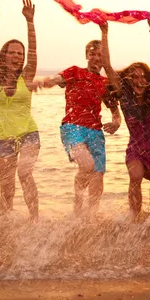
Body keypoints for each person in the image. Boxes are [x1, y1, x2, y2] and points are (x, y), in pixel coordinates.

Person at [37, 26, 121, 218]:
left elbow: (116, 113)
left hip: (96, 131)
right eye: (93, 54)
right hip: (72, 127)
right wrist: (44, 82)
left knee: (98, 173)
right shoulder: (75, 72)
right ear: (86, 55)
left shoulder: (105, 83)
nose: (96, 58)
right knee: (87, 165)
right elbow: (56, 79)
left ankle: (91, 217)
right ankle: (77, 201)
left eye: (100, 55)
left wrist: (116, 122)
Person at [101, 15, 150, 219]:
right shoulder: (124, 96)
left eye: (143, 77)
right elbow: (107, 65)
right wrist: (105, 33)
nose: (139, 80)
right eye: (135, 77)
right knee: (135, 176)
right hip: (136, 149)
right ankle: (134, 221)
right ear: (128, 81)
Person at [0, 0, 40, 222]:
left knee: (24, 172)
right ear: (4, 56)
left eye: (19, 54)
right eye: (12, 53)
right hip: (4, 136)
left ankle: (35, 220)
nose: (17, 56)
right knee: (6, 187)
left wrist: (30, 22)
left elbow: (33, 49)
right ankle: (5, 224)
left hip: (28, 134)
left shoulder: (27, 76)